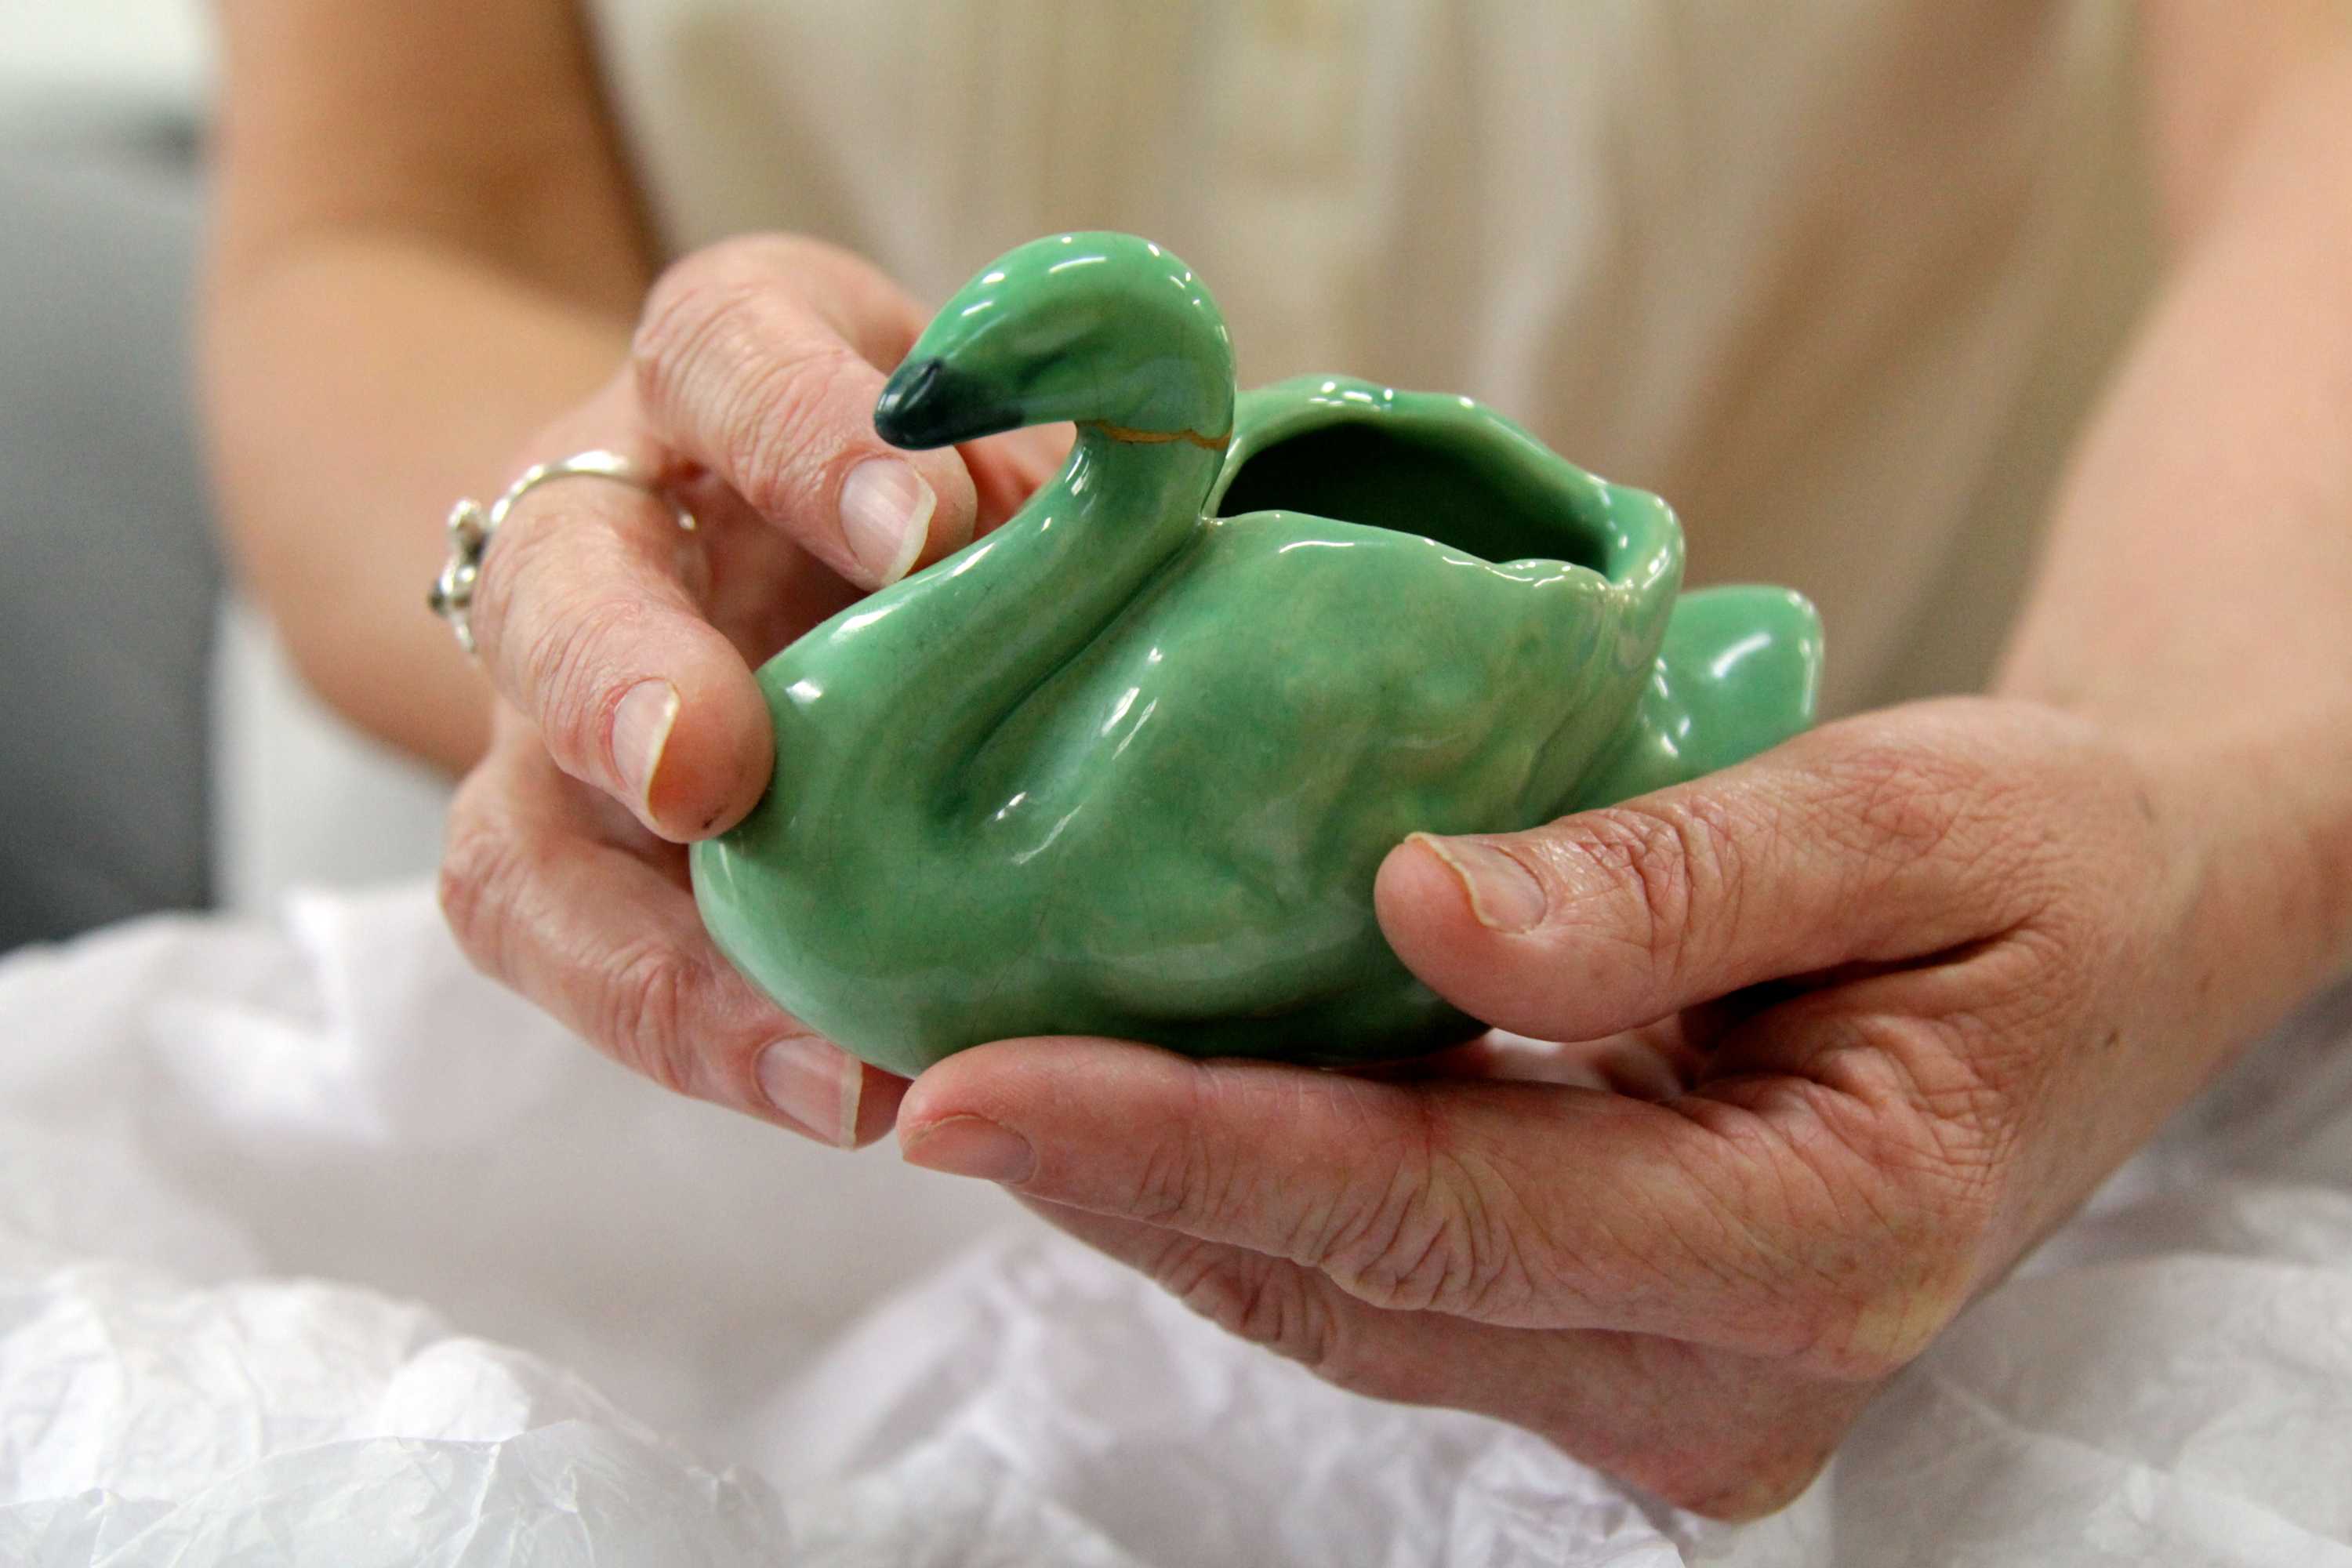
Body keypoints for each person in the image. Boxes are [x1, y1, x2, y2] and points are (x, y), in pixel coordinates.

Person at [203, 0, 2352, 1519]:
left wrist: (2177, 785)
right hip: (623, 1111)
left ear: (1128, 416)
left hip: (1893, 940)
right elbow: (385, 221)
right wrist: (597, 575)